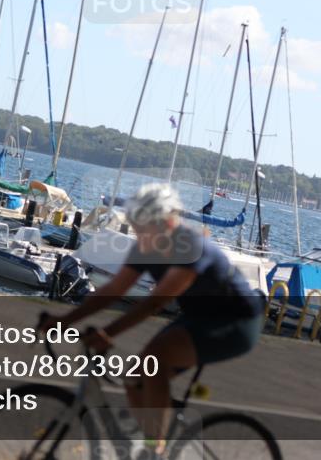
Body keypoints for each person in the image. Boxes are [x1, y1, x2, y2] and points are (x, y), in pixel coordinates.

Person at [39, 183, 265, 456]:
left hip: (238, 321)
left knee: (155, 361)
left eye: (146, 225)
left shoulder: (189, 246)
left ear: (168, 221)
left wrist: (108, 333)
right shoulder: (146, 247)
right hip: (201, 317)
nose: (140, 232)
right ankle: (151, 437)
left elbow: (156, 301)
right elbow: (113, 291)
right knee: (136, 375)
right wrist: (64, 321)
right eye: (137, 225)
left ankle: (154, 449)